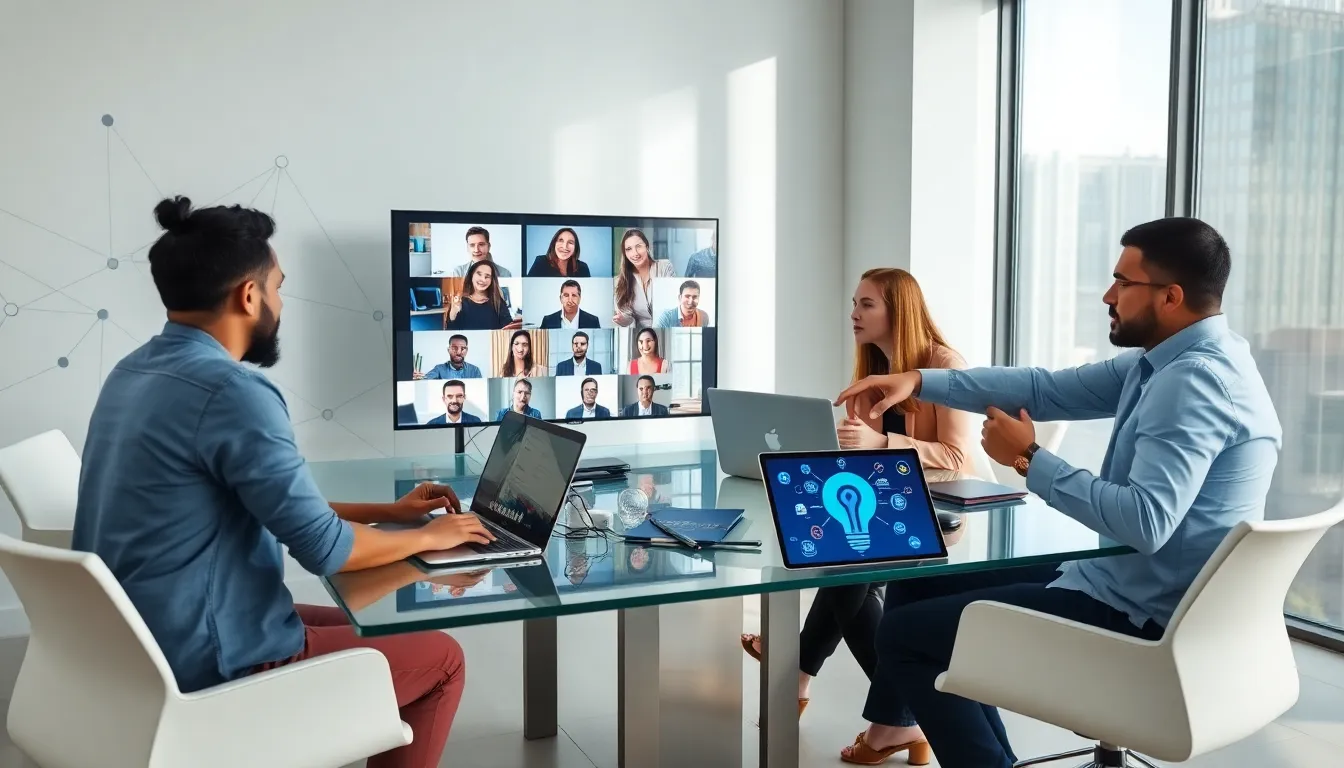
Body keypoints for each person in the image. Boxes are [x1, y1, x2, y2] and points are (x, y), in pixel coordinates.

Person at [832, 218, 1281, 767]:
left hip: (1141, 617)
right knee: (918, 582)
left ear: (1171, 296)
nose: (1107, 295)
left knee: (904, 634)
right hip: (1128, 581)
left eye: (1123, 282)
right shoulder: (1171, 361)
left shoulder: (1194, 382)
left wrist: (1029, 458)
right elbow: (1044, 388)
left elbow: (1144, 521)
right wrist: (921, 380)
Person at [73, 196, 498, 768]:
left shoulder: (134, 371)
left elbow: (269, 504)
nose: (280, 302)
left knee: (358, 614)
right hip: (217, 667)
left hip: (144, 645)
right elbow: (325, 550)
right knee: (443, 659)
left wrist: (393, 515)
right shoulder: (232, 392)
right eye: (277, 287)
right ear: (248, 296)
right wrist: (432, 536)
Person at [739, 268, 975, 723]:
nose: (853, 314)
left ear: (898, 312)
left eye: (866, 305)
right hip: (887, 507)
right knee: (842, 558)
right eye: (854, 303)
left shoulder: (945, 367)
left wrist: (881, 445)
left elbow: (957, 459)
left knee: (845, 571)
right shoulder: (873, 368)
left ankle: (909, 716)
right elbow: (865, 465)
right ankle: (807, 676)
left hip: (941, 512)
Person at [613, 228, 675, 328]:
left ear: (647, 246)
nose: (635, 253)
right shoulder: (619, 281)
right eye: (629, 249)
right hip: (639, 331)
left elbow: (670, 303)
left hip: (666, 327)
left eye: (638, 246)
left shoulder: (664, 267)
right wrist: (623, 320)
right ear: (625, 253)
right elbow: (628, 317)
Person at [446, 260, 519, 330]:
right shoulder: (459, 302)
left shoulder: (498, 302)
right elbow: (450, 330)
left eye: (487, 276)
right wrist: (453, 312)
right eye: (479, 274)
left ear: (491, 280)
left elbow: (508, 327)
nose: (483, 279)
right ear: (471, 275)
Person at [415, 333, 482, 379]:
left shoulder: (475, 370)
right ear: (448, 350)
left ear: (466, 350)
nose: (458, 352)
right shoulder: (439, 369)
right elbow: (426, 378)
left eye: (463, 348)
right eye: (454, 348)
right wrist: (420, 377)